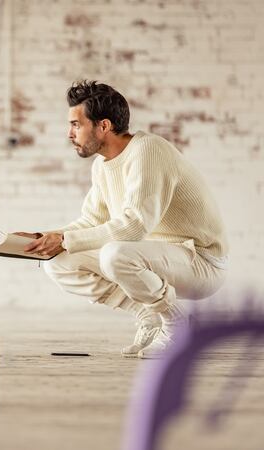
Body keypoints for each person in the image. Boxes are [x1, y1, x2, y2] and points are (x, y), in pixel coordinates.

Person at [16, 80, 228, 358]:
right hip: (153, 258)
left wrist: (65, 240)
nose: (69, 134)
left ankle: (177, 324)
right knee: (56, 261)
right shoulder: (101, 166)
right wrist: (46, 238)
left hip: (200, 261)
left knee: (116, 254)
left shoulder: (148, 150)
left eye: (76, 125)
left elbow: (134, 226)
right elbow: (91, 221)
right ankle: (149, 315)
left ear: (103, 126)